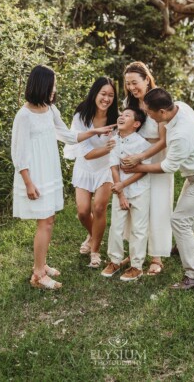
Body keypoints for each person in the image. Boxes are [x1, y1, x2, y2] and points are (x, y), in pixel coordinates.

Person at [11, 65, 115, 290]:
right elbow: (18, 153)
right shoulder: (24, 115)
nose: (54, 89)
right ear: (41, 85)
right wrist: (28, 182)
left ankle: (42, 264)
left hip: (49, 170)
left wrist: (94, 132)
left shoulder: (50, 110)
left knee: (49, 220)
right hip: (34, 174)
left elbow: (68, 136)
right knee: (45, 222)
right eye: (52, 85)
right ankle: (38, 274)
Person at [124, 87, 194, 290]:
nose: (148, 116)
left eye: (150, 113)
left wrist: (138, 166)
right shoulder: (181, 106)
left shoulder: (180, 134)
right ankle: (181, 247)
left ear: (162, 112)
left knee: (180, 220)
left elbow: (168, 167)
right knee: (185, 215)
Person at [122, 62, 174, 275]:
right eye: (128, 84)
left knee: (157, 205)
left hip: (155, 157)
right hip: (134, 158)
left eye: (135, 82)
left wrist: (141, 158)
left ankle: (156, 256)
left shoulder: (158, 100)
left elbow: (163, 140)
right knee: (135, 203)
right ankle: (135, 251)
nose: (132, 87)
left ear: (146, 79)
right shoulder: (129, 102)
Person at [64, 77, 119, 268]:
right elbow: (87, 154)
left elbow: (121, 144)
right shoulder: (81, 117)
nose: (106, 98)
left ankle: (95, 250)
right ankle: (93, 233)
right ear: (95, 93)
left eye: (111, 95)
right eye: (103, 94)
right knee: (82, 212)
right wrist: (108, 147)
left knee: (99, 208)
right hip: (85, 167)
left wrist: (114, 149)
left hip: (106, 168)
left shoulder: (116, 118)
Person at [101, 107, 151, 281]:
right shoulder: (114, 141)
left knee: (139, 228)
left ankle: (136, 266)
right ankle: (114, 261)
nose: (121, 116)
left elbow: (144, 170)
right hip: (119, 191)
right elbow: (114, 167)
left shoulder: (143, 144)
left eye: (127, 115)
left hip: (140, 191)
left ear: (136, 124)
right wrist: (120, 192)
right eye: (121, 114)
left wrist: (124, 184)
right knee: (116, 226)